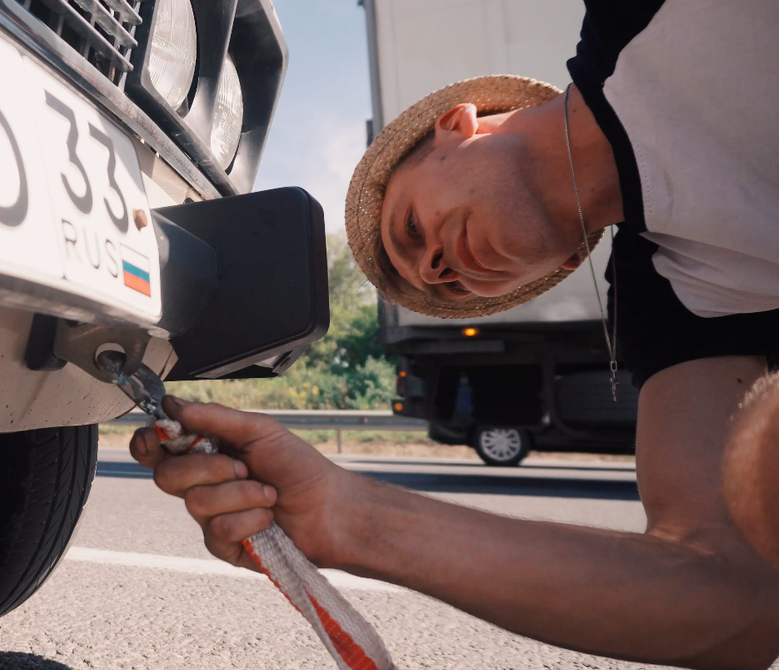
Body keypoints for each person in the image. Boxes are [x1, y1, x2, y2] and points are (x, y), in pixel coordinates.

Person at [129, 0, 779, 667]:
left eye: (412, 228)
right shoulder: (676, 298)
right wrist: (352, 518)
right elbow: (737, 599)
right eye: (445, 289)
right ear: (561, 264)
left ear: (456, 126)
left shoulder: (639, 21)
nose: (438, 267)